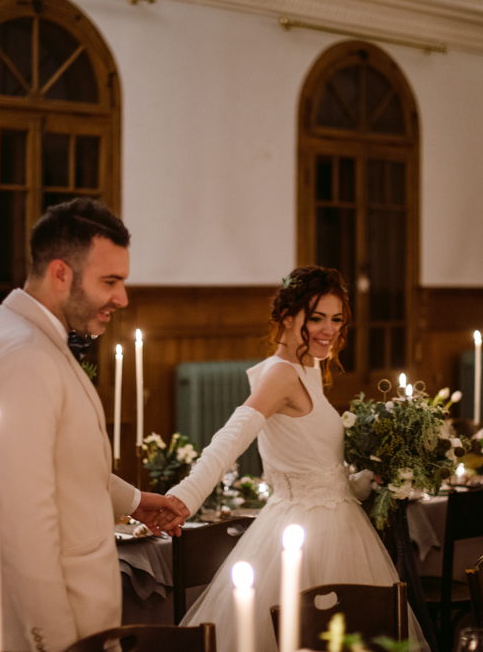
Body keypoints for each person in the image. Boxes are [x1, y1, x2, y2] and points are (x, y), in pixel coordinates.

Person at [0, 198, 186, 652]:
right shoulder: (23, 357)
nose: (122, 298)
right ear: (61, 274)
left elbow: (56, 462)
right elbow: (24, 524)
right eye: (109, 282)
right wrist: (53, 642)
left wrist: (132, 500)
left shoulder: (18, 335)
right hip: (38, 631)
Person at [163, 266, 427, 652]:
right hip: (304, 535)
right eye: (316, 317)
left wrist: (370, 478)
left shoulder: (309, 369)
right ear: (287, 318)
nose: (329, 329)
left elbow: (321, 470)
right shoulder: (281, 375)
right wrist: (185, 496)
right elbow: (231, 437)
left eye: (336, 319)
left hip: (340, 525)